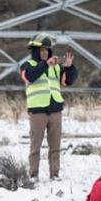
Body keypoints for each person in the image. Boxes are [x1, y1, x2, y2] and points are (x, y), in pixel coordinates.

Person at [21, 33, 77, 180]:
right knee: (35, 147)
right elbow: (30, 76)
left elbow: (68, 81)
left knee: (55, 147)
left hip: (55, 110)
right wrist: (46, 64)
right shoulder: (27, 65)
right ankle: (33, 175)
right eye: (42, 50)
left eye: (47, 50)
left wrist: (69, 68)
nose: (45, 52)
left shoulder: (55, 67)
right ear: (35, 51)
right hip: (38, 111)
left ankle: (55, 174)